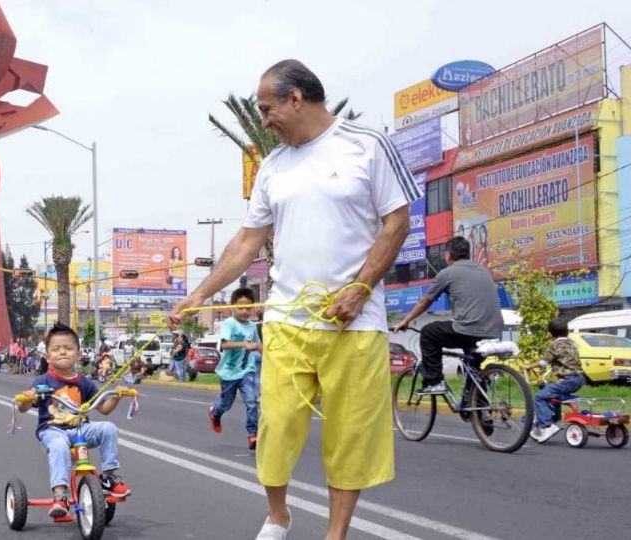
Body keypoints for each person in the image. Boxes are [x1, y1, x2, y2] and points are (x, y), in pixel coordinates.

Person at [169, 59, 419, 540]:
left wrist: (360, 287)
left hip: (356, 324)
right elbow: (246, 241)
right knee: (276, 426)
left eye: (267, 110)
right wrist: (198, 295)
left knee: (350, 438)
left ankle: (336, 533)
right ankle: (278, 514)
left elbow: (397, 223)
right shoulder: (273, 166)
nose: (264, 121)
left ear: (296, 99)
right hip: (286, 320)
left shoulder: (366, 146)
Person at [15, 323, 131, 518]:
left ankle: (109, 477)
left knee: (108, 428)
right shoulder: (42, 381)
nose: (62, 352)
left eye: (68, 348)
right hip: (52, 430)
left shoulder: (84, 382)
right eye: (56, 349)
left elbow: (103, 409)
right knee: (60, 445)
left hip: (80, 429)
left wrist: (116, 396)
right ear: (48, 356)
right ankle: (60, 495)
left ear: (78, 355)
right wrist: (28, 398)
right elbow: (23, 407)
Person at [392, 236, 503, 394]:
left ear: (448, 255)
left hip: (468, 331)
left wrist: (405, 321)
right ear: (468, 254)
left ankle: (434, 381)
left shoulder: (448, 273)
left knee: (429, 332)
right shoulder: (484, 272)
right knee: (473, 369)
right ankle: (480, 412)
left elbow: (425, 302)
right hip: (493, 332)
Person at [207, 288, 261, 450]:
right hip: (229, 372)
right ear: (232, 307)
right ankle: (215, 413)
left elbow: (258, 345)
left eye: (248, 308)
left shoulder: (252, 327)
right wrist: (244, 344)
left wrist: (273, 357)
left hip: (247, 370)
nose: (245, 311)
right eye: (240, 308)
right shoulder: (229, 324)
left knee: (251, 401)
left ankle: (253, 435)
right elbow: (224, 344)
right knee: (226, 404)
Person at [523, 318, 584, 443]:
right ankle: (556, 420)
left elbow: (543, 362)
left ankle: (547, 425)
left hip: (567, 380)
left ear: (550, 334)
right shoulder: (572, 343)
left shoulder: (554, 345)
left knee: (539, 398)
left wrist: (529, 366)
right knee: (551, 393)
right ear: (567, 333)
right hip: (580, 379)